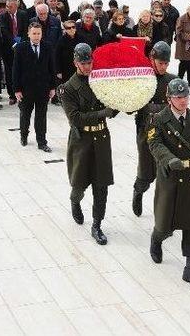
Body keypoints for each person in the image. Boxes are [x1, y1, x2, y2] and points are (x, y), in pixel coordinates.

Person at [147, 78, 190, 291]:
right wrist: (169, 159)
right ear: (169, 99)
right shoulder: (158, 119)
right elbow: (154, 144)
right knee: (164, 224)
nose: (183, 100)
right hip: (170, 178)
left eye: (186, 96)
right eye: (178, 97)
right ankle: (156, 239)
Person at [59, 43, 118, 245]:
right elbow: (75, 118)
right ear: (75, 62)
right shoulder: (68, 89)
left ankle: (97, 224)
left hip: (101, 139)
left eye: (89, 62)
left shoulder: (100, 81)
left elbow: (111, 104)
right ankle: (75, 201)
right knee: (79, 184)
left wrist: (121, 104)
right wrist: (103, 113)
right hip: (81, 142)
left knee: (101, 186)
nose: (87, 66)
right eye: (83, 63)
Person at [132, 41, 176, 217]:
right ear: (152, 59)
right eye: (160, 63)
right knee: (146, 172)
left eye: (166, 63)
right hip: (146, 133)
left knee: (168, 173)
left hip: (168, 133)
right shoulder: (142, 79)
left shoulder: (172, 80)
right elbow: (132, 106)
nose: (163, 67)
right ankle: (138, 192)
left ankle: (165, 212)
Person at [13, 23, 55, 152]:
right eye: (34, 33)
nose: (37, 36)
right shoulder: (20, 48)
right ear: (29, 34)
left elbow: (51, 68)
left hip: (43, 88)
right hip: (26, 89)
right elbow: (16, 70)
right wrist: (17, 90)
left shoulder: (48, 47)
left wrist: (52, 87)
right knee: (25, 114)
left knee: (41, 116)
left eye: (39, 33)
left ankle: (42, 142)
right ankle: (23, 135)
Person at [0, 0, 29, 105]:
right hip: (8, 49)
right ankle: (12, 95)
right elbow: (4, 30)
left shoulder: (23, 14)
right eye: (7, 6)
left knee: (22, 71)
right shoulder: (3, 16)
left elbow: (26, 30)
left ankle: (22, 93)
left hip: (22, 48)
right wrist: (14, 43)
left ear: (16, 6)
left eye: (10, 6)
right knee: (9, 72)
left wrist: (19, 43)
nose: (8, 8)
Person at [55, 20, 85, 88]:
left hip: (79, 68)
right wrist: (58, 71)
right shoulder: (61, 40)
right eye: (69, 28)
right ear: (65, 30)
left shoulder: (81, 38)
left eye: (73, 27)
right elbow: (57, 57)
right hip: (66, 69)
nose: (71, 29)